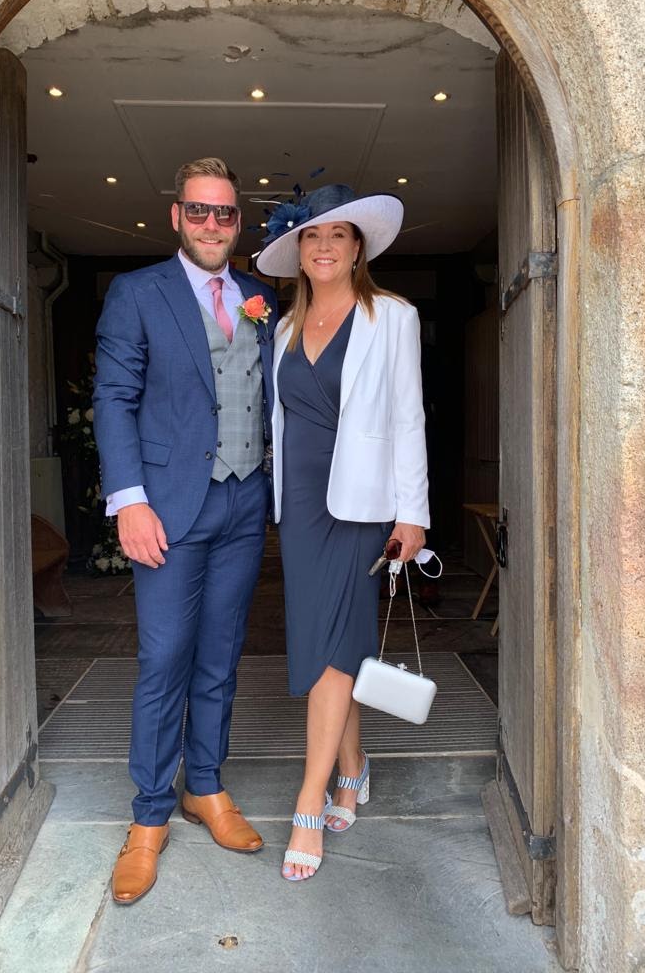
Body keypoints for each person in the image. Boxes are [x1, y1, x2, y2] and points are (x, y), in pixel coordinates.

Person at [93, 157, 278, 904]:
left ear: (239, 222)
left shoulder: (258, 295)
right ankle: (147, 817)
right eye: (198, 211)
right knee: (164, 659)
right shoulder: (137, 293)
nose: (211, 224)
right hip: (166, 506)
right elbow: (113, 397)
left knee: (221, 657)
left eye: (225, 213)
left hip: (241, 505)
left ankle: (204, 785)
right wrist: (129, 500)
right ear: (176, 216)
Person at [256, 184, 429, 881]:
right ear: (299, 250)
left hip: (360, 507)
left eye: (337, 236)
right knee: (329, 644)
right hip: (300, 505)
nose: (323, 248)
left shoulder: (392, 316)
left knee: (332, 651)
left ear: (358, 248)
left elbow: (410, 416)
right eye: (311, 237)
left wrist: (412, 512)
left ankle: (309, 800)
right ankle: (353, 770)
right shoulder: (284, 327)